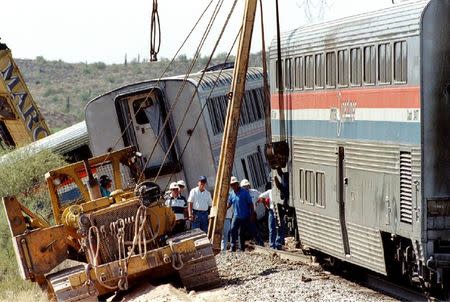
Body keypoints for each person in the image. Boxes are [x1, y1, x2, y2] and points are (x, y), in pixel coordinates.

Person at [228, 176, 260, 252]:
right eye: (232, 185)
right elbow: (229, 204)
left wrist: (252, 215)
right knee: (233, 230)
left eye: (234, 184)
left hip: (246, 215)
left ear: (237, 184)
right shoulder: (232, 194)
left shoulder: (244, 192)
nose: (233, 186)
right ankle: (235, 247)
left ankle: (260, 243)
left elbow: (251, 204)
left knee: (253, 230)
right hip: (237, 216)